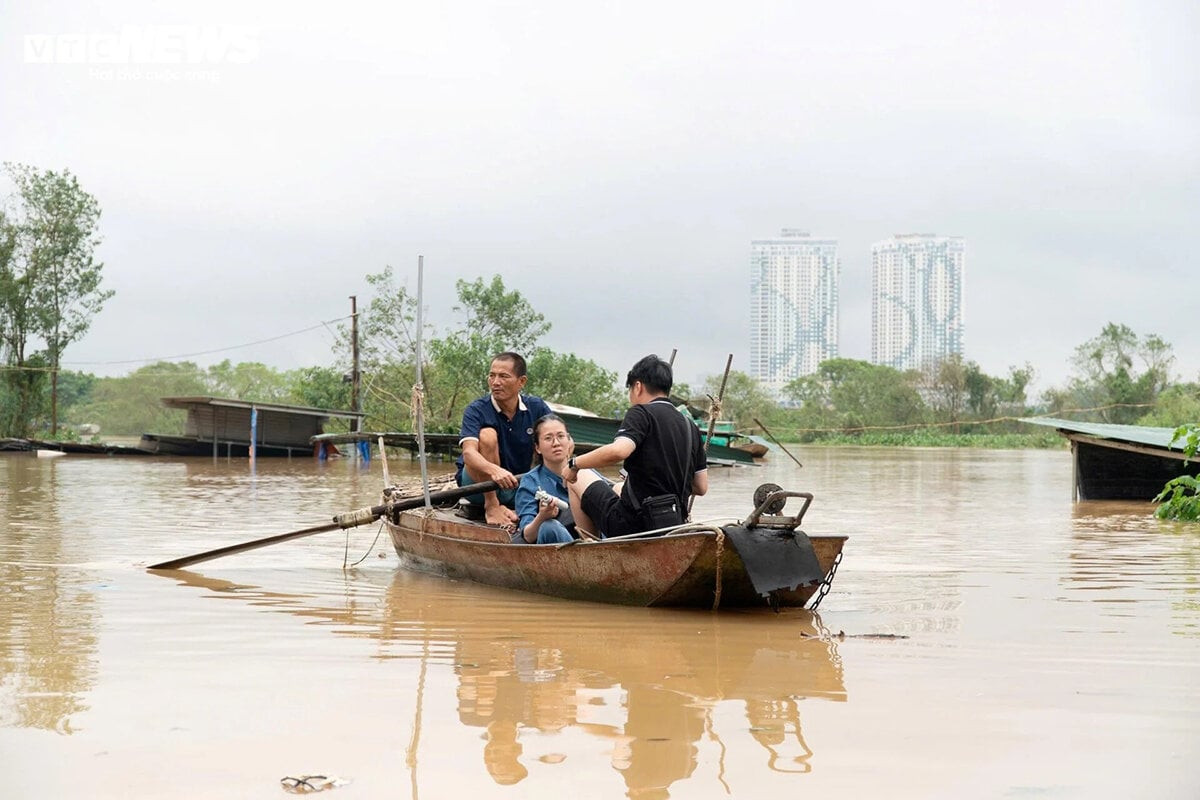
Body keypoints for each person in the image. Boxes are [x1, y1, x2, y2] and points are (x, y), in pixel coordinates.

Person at [564, 354, 708, 538]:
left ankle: (592, 548)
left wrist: (574, 463)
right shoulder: (691, 427)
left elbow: (619, 451)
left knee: (578, 476)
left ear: (638, 386)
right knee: (617, 488)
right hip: (672, 527)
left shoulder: (640, 413)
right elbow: (701, 487)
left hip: (632, 525)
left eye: (630, 390)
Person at [456, 351, 552, 527]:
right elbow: (468, 453)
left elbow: (561, 440)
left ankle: (509, 507)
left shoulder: (536, 407)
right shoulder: (477, 410)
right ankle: (492, 506)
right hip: (478, 485)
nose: (495, 382)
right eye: (492, 376)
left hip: (516, 484)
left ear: (521, 382)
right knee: (487, 435)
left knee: (553, 438)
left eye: (503, 376)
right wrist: (494, 470)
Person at [514, 414, 606, 544]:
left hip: (597, 543)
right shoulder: (531, 482)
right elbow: (527, 536)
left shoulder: (586, 472)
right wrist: (542, 517)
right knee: (549, 527)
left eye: (561, 436)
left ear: (569, 441)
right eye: (548, 438)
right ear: (537, 448)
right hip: (562, 548)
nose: (556, 443)